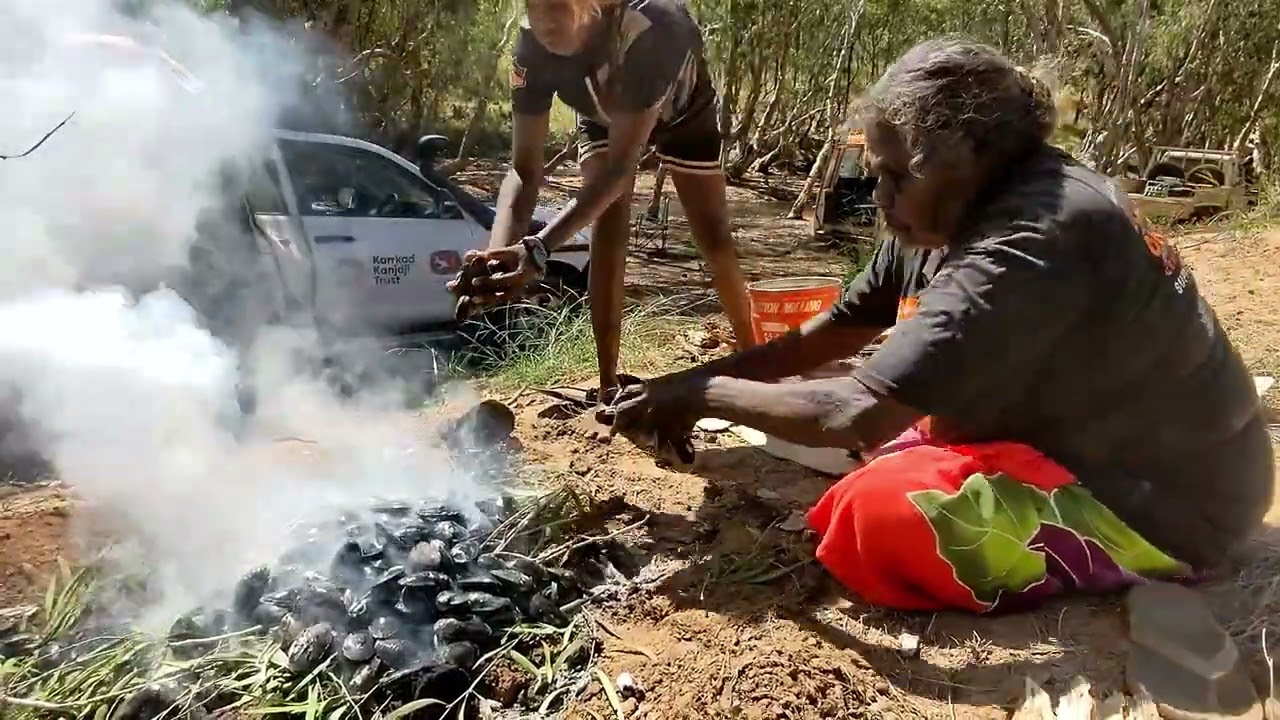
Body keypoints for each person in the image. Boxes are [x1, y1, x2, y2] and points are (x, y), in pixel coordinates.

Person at [613, 38, 1275, 615]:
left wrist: (702, 399)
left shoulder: (1036, 232)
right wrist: (687, 380)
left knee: (876, 518)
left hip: (1178, 503)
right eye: (876, 175)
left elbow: (852, 413)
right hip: (1096, 443)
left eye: (897, 176)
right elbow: (825, 339)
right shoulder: (939, 214)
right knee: (891, 423)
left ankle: (1147, 556)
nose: (881, 200)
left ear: (968, 155)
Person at [448, 0, 755, 413]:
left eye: (557, 6)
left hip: (682, 112)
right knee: (607, 229)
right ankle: (608, 384)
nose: (545, 20)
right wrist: (498, 259)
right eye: (533, 5)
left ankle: (756, 366)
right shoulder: (530, 48)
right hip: (603, 113)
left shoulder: (652, 29)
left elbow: (621, 172)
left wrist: (539, 247)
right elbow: (523, 171)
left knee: (713, 238)